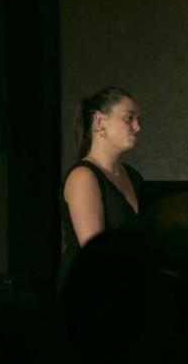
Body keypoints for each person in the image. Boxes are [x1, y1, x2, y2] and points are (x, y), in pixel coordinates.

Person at [57, 86, 143, 295]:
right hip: (91, 295)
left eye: (139, 119)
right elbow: (96, 255)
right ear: (100, 121)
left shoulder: (132, 176)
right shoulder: (83, 176)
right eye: (129, 118)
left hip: (125, 290)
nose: (137, 127)